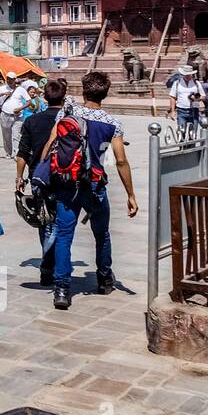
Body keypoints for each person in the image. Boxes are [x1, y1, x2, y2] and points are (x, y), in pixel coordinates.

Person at [39, 71, 139, 310]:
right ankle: (104, 278)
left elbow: (52, 142)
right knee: (101, 234)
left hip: (67, 182)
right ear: (105, 93)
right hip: (94, 184)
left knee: (64, 235)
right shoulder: (112, 123)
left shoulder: (67, 113)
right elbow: (121, 160)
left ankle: (61, 289)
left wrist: (43, 169)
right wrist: (130, 195)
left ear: (83, 91)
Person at [16, 78, 66, 286]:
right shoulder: (69, 121)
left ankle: (47, 265)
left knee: (44, 222)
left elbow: (23, 153)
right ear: (64, 98)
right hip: (65, 177)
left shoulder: (32, 121)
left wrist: (19, 177)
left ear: (44, 97)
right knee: (61, 223)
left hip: (38, 176)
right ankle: (54, 264)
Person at [0, 75, 33, 159]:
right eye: (8, 79)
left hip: (18, 115)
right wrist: (3, 93)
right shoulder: (2, 88)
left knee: (16, 134)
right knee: (6, 135)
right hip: (5, 114)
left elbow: (29, 101)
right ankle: (8, 152)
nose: (9, 81)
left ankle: (16, 153)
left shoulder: (21, 90)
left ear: (15, 80)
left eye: (11, 79)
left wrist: (20, 108)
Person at [168, 64, 203, 137]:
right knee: (181, 131)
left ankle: (192, 147)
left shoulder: (196, 83)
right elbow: (172, 97)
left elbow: (204, 96)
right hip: (181, 110)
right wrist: (172, 111)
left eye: (189, 74)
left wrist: (196, 99)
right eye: (185, 74)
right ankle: (182, 147)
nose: (187, 76)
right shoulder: (177, 83)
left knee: (193, 133)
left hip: (194, 110)